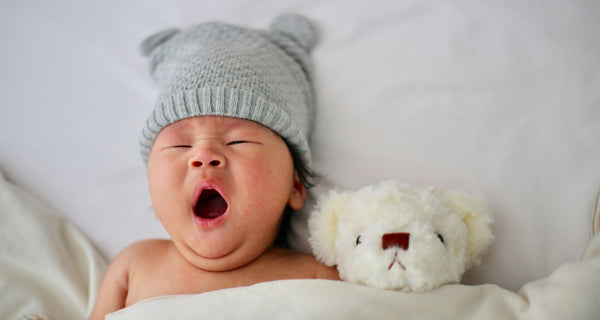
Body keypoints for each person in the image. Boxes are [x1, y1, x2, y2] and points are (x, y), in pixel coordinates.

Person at [88, 14, 339, 319]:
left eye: (238, 142)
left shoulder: (317, 278)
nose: (204, 155)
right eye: (180, 145)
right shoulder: (133, 267)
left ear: (295, 186)